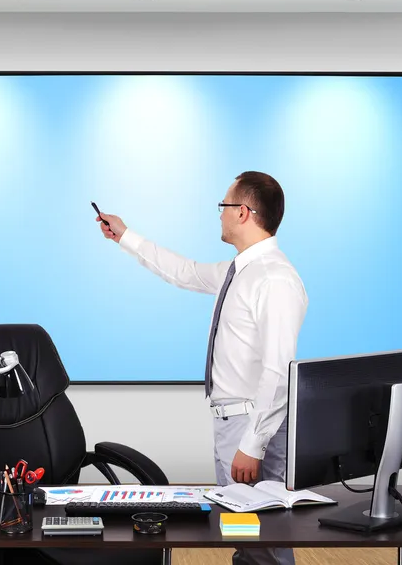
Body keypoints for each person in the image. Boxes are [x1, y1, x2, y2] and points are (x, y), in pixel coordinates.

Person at [96, 170, 308, 565]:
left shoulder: (274, 278)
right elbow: (184, 271)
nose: (219, 214)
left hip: (252, 429)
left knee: (266, 540)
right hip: (232, 424)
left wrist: (252, 444)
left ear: (243, 212)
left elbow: (280, 372)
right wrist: (125, 235)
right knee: (245, 535)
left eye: (223, 206)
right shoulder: (238, 271)